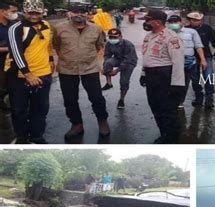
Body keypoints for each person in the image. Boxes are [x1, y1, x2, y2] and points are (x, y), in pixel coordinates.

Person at [53, 5, 110, 140]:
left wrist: (88, 58)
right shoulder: (59, 28)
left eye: (83, 12)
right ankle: (76, 125)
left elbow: (99, 45)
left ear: (88, 14)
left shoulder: (96, 28)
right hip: (66, 68)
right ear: (70, 13)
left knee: (97, 98)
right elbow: (56, 45)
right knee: (70, 99)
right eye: (76, 12)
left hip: (89, 68)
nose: (79, 14)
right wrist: (68, 57)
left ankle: (102, 122)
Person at [4, 0, 53, 144]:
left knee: (40, 109)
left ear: (42, 12)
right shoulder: (16, 28)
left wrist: (51, 60)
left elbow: (47, 46)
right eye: (30, 12)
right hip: (19, 76)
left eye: (37, 13)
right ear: (24, 12)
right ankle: (22, 138)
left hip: (43, 73)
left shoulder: (46, 25)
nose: (33, 16)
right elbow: (15, 52)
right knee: (19, 110)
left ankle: (37, 136)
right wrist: (27, 74)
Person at [140, 9, 185, 144]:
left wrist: (176, 85)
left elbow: (178, 62)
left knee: (167, 109)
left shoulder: (171, 37)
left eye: (148, 20)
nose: (146, 23)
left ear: (158, 22)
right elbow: (146, 56)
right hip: (151, 76)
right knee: (155, 106)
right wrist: (143, 74)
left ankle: (171, 136)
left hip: (164, 76)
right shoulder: (148, 36)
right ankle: (164, 132)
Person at [186, 11, 215, 109]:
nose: (195, 22)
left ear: (201, 20)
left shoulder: (207, 28)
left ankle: (209, 97)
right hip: (192, 57)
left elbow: (214, 41)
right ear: (190, 20)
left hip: (206, 55)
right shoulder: (185, 30)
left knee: (208, 76)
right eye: (193, 20)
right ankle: (199, 96)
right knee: (195, 78)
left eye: (197, 20)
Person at [166, 15, 207, 109]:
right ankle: (171, 100)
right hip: (171, 61)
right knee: (171, 81)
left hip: (188, 61)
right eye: (171, 22)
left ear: (181, 22)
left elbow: (198, 46)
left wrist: (203, 59)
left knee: (185, 82)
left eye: (175, 21)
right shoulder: (166, 33)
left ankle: (180, 101)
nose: (173, 24)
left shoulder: (191, 32)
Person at [102, 28, 137, 109]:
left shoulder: (128, 44)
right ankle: (109, 83)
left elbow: (127, 60)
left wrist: (117, 70)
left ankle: (121, 99)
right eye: (111, 37)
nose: (113, 39)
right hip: (118, 58)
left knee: (124, 81)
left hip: (129, 62)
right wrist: (105, 68)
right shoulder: (109, 44)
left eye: (115, 37)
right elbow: (107, 55)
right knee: (107, 63)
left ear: (120, 36)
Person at [0, 1, 18, 110]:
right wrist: (10, 49)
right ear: (3, 11)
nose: (15, 14)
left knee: (11, 87)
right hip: (1, 64)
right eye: (13, 11)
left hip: (12, 63)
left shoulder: (14, 24)